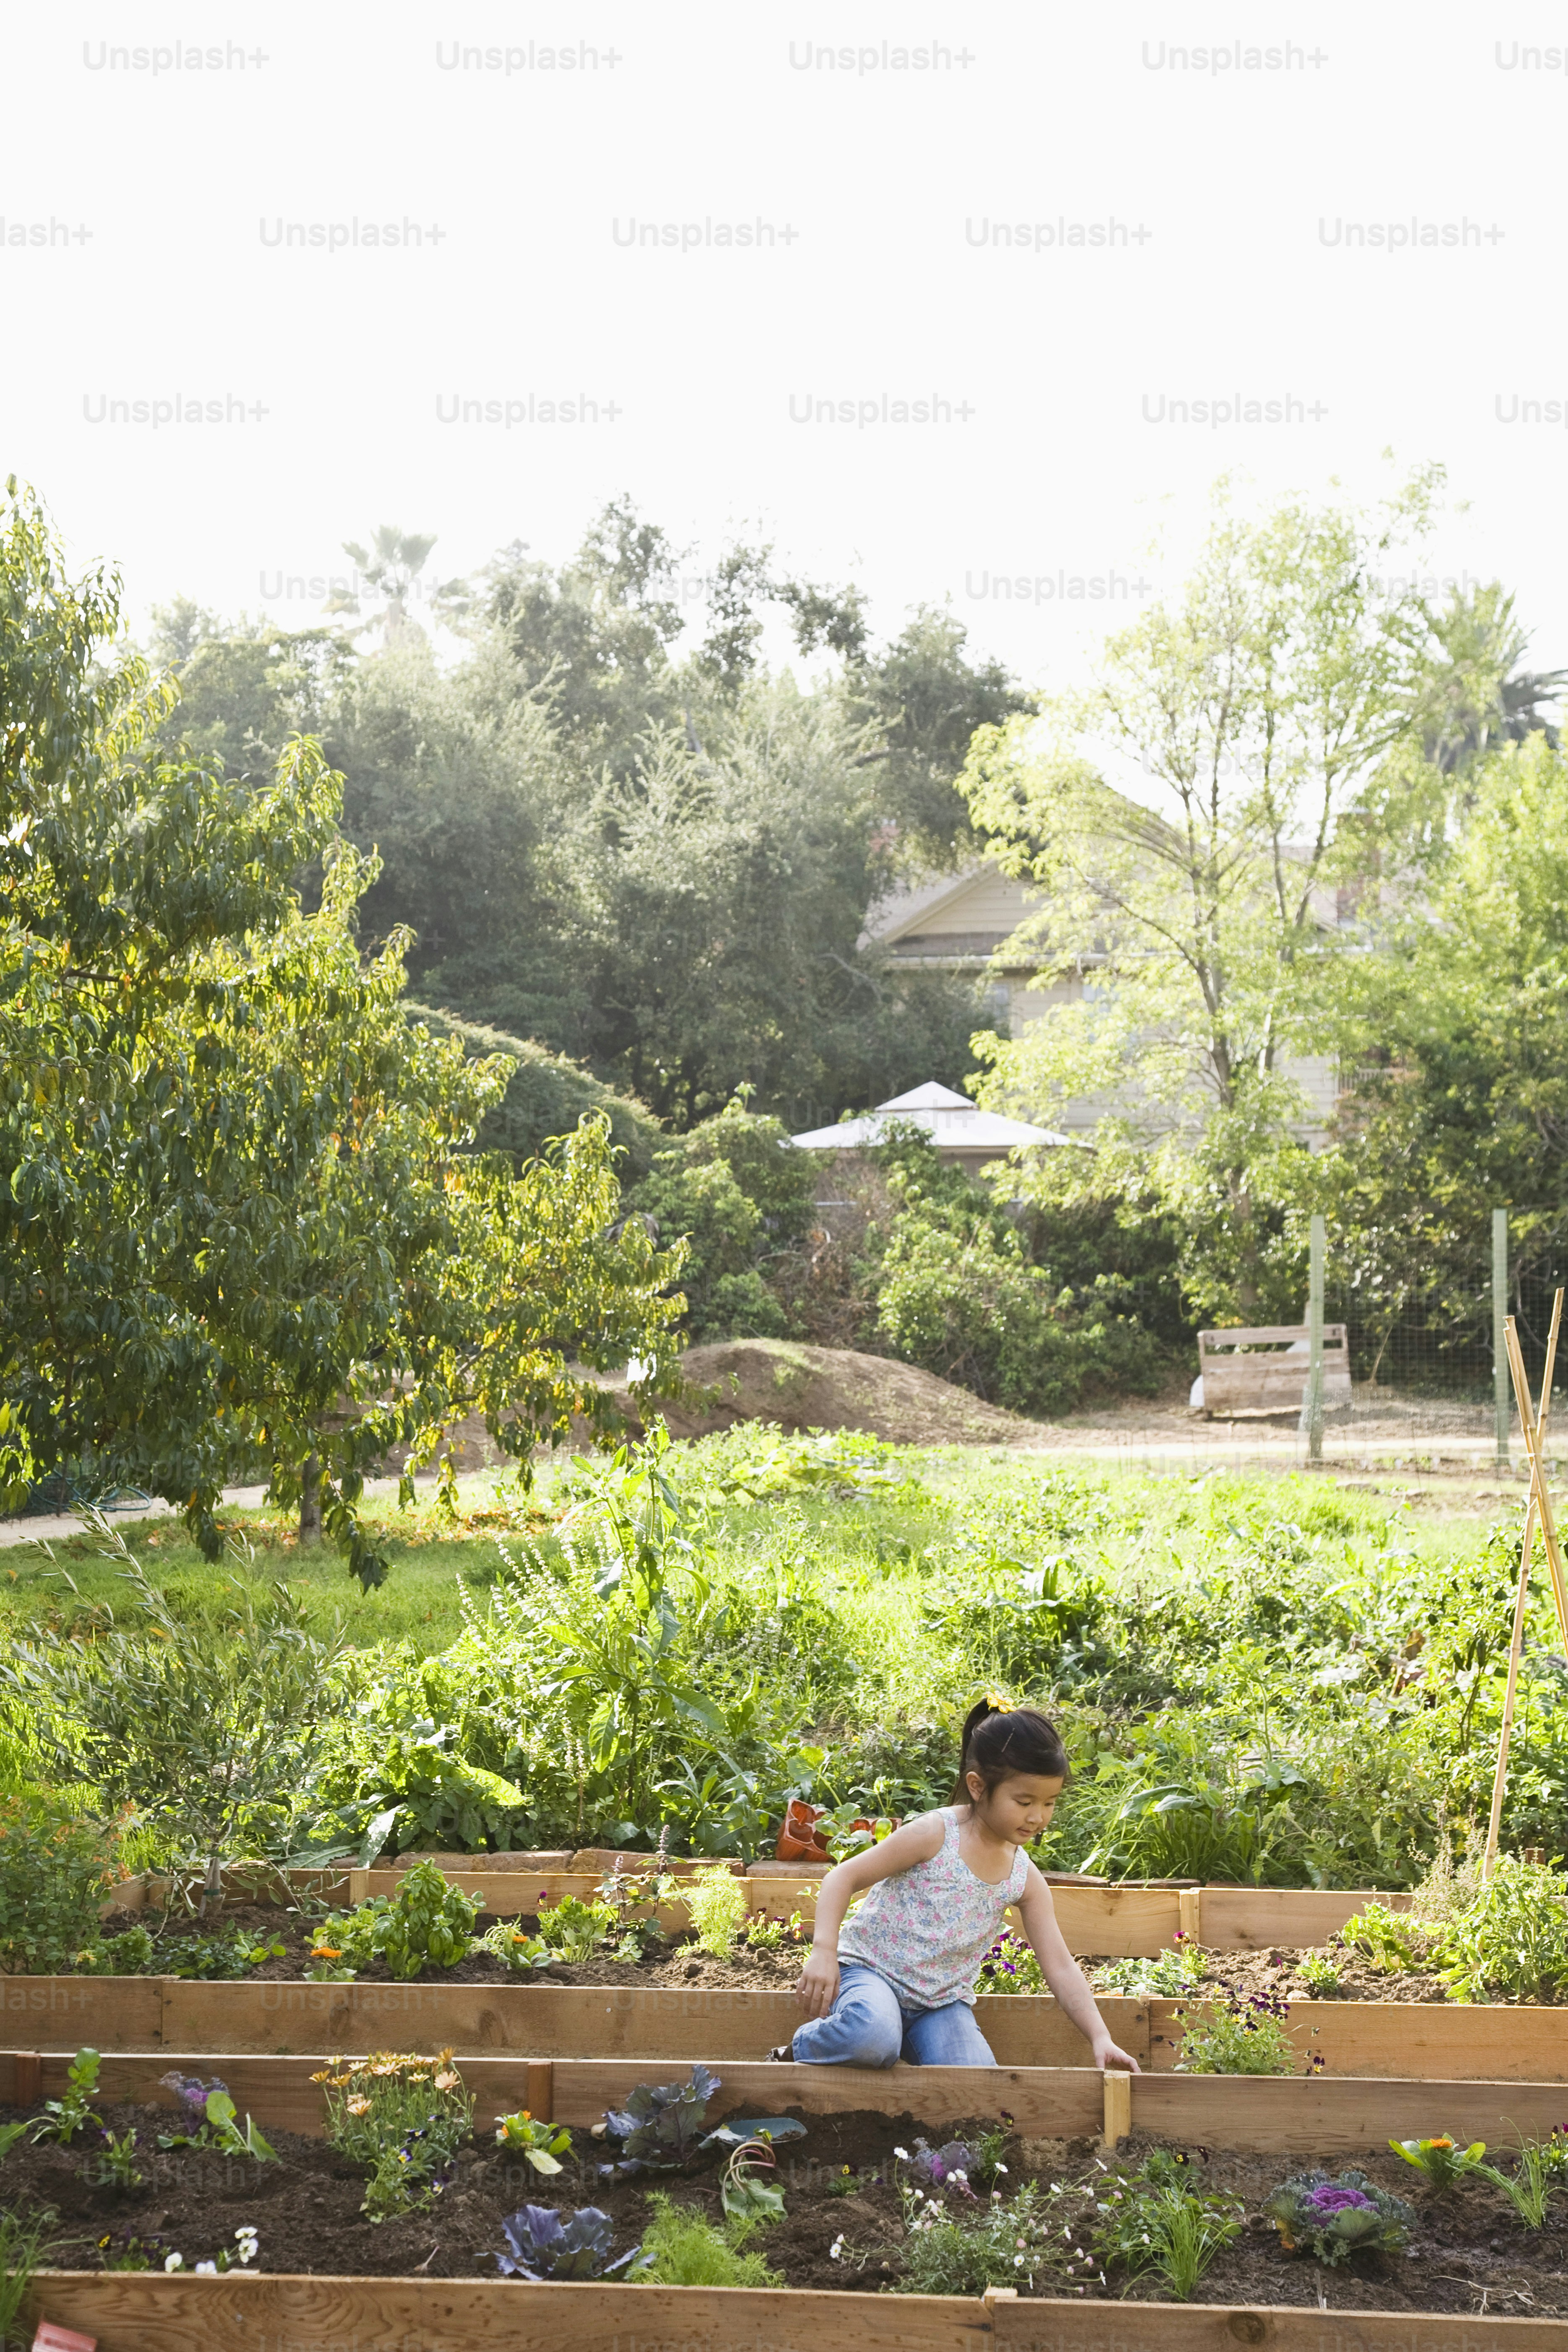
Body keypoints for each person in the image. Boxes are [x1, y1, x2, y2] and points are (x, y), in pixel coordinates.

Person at [779, 1698, 1140, 2072]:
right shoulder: (935, 1835)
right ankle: (799, 2048)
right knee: (872, 2037)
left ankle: (894, 2041)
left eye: (1049, 1803)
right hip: (872, 1973)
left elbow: (1061, 1967)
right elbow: (843, 1876)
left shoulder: (1024, 1878)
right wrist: (823, 1951)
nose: (1038, 1817)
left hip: (940, 2004)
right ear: (978, 1786)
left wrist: (1101, 2036)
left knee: (976, 2082)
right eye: (1024, 1801)